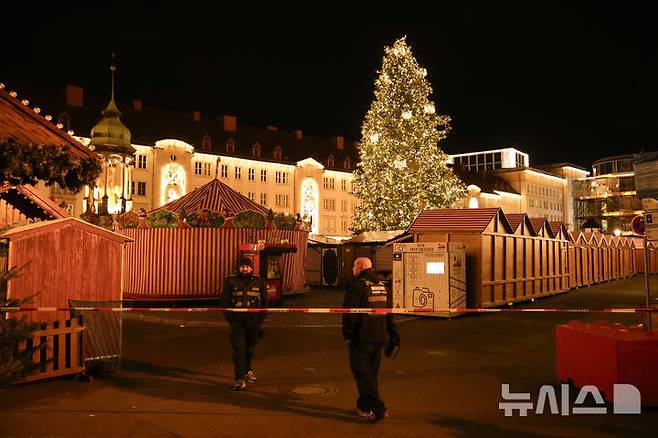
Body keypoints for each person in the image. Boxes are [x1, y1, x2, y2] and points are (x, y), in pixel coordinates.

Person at [342, 257, 400, 422]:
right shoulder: (381, 286)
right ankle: (364, 407)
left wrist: (348, 334)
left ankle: (378, 408)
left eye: (354, 267)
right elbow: (389, 312)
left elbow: (350, 312)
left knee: (362, 374)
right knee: (370, 375)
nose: (353, 270)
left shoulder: (357, 284)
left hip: (361, 338)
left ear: (360, 267)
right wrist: (394, 335)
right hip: (379, 337)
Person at [220, 257, 268, 391]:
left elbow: (265, 303)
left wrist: (260, 321)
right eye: (242, 267)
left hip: (253, 321)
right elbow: (224, 303)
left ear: (251, 268)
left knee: (250, 348)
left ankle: (248, 370)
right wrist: (232, 320)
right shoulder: (230, 281)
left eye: (247, 267)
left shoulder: (259, 281)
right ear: (238, 268)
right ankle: (239, 379)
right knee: (239, 349)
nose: (244, 269)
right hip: (237, 321)